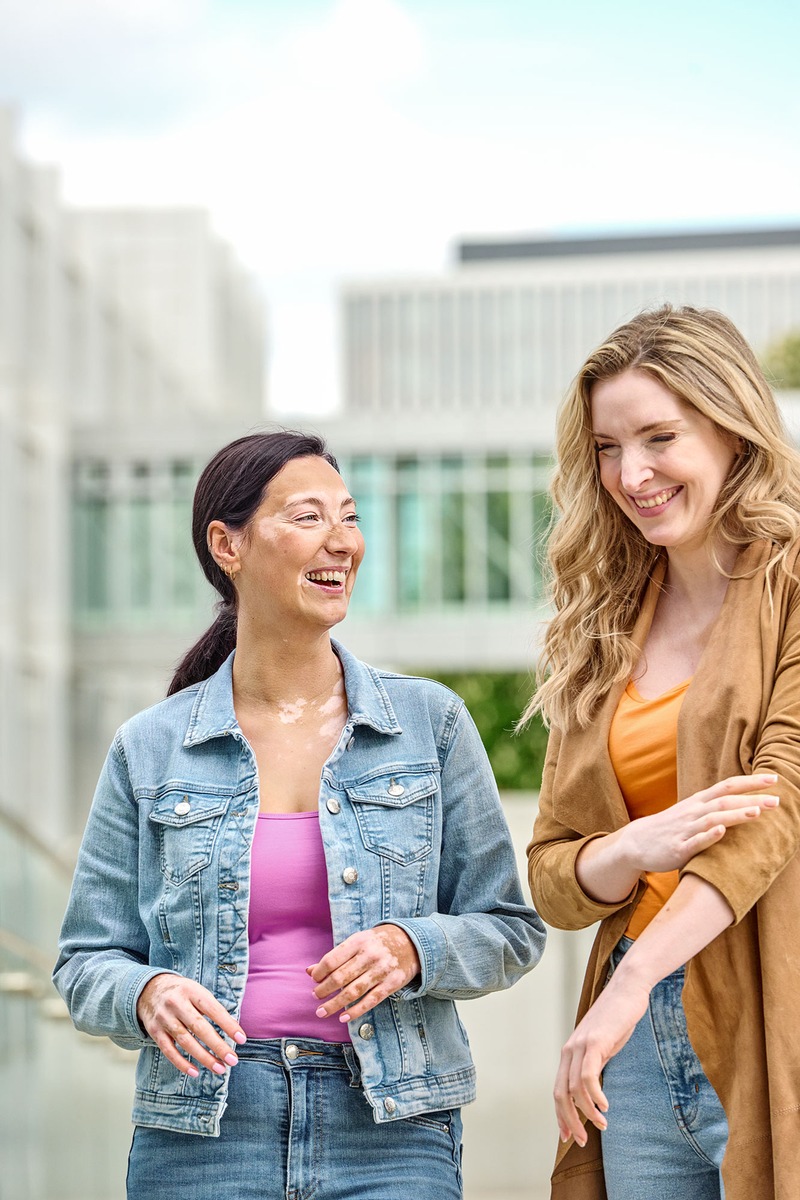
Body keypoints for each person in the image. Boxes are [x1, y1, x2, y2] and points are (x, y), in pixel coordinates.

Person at [55, 430, 546, 1200]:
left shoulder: (431, 725)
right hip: (204, 1128)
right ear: (229, 544)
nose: (341, 542)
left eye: (349, 518)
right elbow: (85, 959)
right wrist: (146, 995)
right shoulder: (149, 748)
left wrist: (412, 946)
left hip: (392, 1125)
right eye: (309, 517)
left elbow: (511, 927)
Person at [524, 304, 800, 1200]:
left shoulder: (789, 585)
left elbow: (779, 805)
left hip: (763, 1016)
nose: (630, 473)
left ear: (730, 426)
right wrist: (630, 851)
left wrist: (634, 979)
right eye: (607, 447)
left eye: (657, 437)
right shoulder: (599, 628)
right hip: (633, 1050)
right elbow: (554, 876)